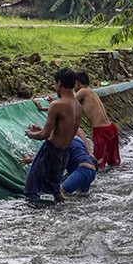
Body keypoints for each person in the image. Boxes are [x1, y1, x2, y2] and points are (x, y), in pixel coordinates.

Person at [23, 68, 82, 202]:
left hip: (50, 152)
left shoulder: (56, 105)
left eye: (55, 83)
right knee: (56, 191)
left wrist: (30, 134)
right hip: (64, 153)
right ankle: (65, 211)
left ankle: (36, 214)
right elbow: (63, 130)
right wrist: (41, 130)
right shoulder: (77, 105)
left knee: (31, 190)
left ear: (59, 83)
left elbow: (45, 134)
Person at [20, 128, 96, 198]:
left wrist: (30, 160)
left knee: (61, 195)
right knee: (80, 198)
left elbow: (51, 160)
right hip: (91, 171)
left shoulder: (63, 144)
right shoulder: (77, 140)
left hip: (82, 171)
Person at [74, 72, 121, 169]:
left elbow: (67, 103)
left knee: (98, 165)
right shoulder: (91, 92)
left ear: (78, 83)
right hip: (111, 128)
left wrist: (51, 105)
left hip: (101, 131)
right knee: (114, 164)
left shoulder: (83, 92)